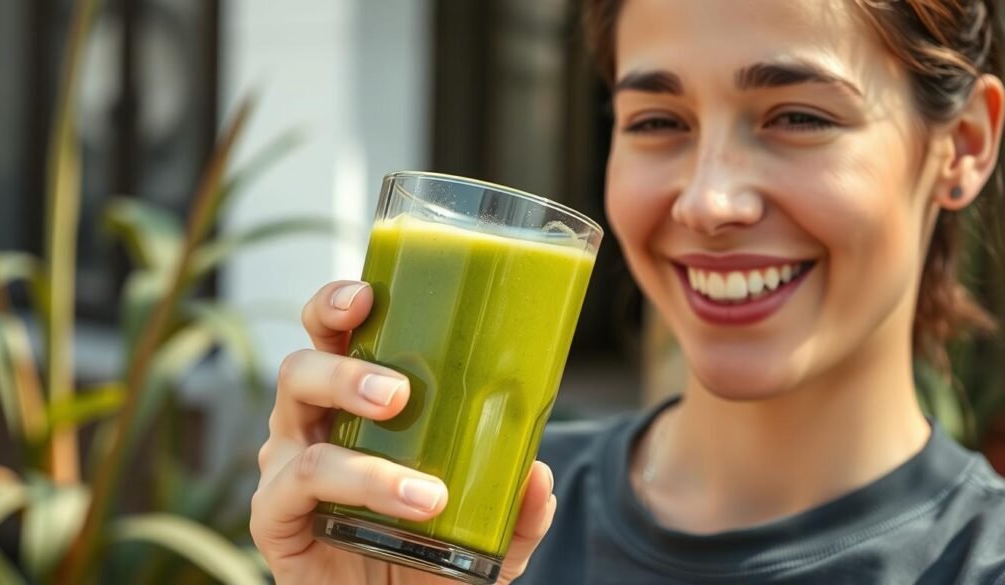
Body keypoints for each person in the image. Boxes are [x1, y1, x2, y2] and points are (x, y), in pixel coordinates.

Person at [249, 0, 1005, 582]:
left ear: (963, 144)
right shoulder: (474, 520)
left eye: (799, 116)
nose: (707, 202)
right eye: (657, 120)